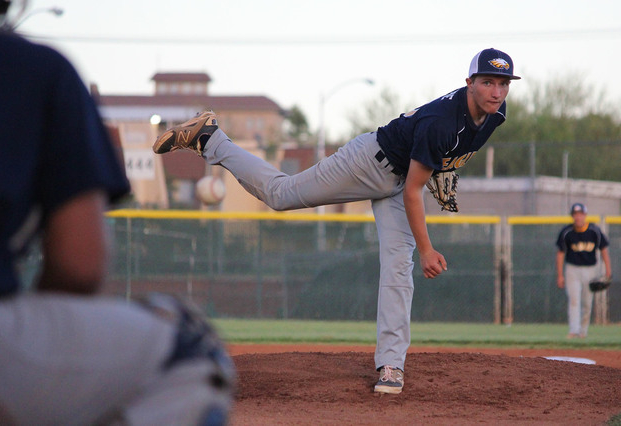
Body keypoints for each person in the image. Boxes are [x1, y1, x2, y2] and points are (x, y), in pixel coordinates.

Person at [154, 48, 520, 394]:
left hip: (400, 180)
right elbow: (413, 191)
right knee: (281, 194)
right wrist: (426, 249)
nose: (496, 91)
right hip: (369, 163)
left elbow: (431, 165)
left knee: (398, 266)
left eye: (503, 83)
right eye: (487, 81)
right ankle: (211, 138)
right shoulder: (441, 122)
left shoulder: (495, 114)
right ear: (469, 82)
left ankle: (391, 365)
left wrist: (439, 169)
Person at [0, 1, 234, 424]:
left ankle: (212, 139)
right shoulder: (30, 68)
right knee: (190, 350)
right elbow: (80, 266)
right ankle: (211, 139)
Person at [556, 203, 612, 339]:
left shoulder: (594, 231)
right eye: (575, 214)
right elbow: (560, 254)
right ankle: (573, 330)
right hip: (572, 269)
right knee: (574, 300)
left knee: (587, 302)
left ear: (585, 215)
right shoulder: (567, 232)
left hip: (590, 269)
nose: (578, 217)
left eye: (580, 214)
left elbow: (604, 250)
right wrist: (560, 275)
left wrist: (608, 270)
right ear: (572, 216)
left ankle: (583, 332)